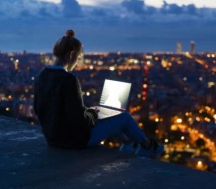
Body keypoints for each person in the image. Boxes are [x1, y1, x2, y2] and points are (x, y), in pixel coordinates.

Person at [33, 30, 164, 157]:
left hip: (52, 139)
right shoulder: (69, 80)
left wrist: (87, 112)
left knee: (111, 118)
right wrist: (92, 115)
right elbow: (80, 121)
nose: (77, 63)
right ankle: (148, 146)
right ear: (71, 55)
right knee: (124, 117)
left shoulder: (41, 75)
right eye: (78, 58)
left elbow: (38, 110)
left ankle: (128, 144)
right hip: (73, 140)